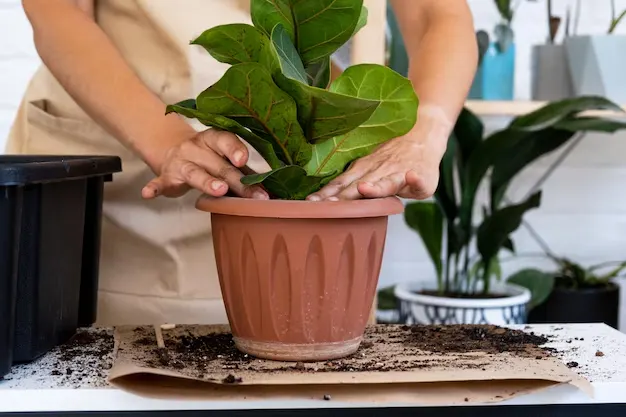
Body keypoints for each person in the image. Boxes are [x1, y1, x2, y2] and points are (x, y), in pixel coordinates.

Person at [9, 0, 477, 326]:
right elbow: (57, 9)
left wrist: (424, 132)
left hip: (299, 181)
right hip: (116, 153)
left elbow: (438, 12)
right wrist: (166, 139)